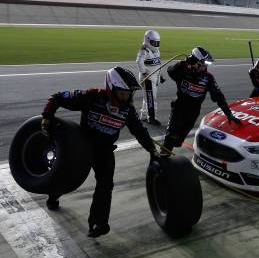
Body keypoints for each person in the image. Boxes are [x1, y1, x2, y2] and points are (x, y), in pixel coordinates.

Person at [41, 67, 158, 238]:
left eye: (130, 93)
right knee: (68, 175)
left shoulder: (128, 110)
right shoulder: (92, 96)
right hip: (83, 147)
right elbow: (57, 98)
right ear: (111, 88)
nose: (127, 97)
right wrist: (46, 116)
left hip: (105, 152)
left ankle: (98, 223)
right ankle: (53, 196)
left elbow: (139, 131)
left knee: (106, 185)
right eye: (123, 93)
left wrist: (151, 149)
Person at [162, 46, 241, 154]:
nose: (203, 67)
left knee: (178, 140)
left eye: (205, 65)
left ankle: (170, 147)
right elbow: (170, 71)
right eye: (201, 64)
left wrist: (229, 114)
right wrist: (183, 63)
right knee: (171, 136)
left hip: (193, 113)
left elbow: (219, 96)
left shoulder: (208, 78)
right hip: (178, 108)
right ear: (193, 61)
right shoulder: (182, 70)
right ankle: (163, 155)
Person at [137, 29, 165, 126]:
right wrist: (145, 74)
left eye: (157, 42)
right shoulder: (144, 49)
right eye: (154, 42)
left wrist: (160, 76)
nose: (156, 44)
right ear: (147, 40)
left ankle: (144, 116)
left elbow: (158, 64)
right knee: (151, 98)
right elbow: (139, 62)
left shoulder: (157, 50)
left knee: (147, 97)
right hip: (147, 78)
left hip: (155, 77)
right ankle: (151, 118)